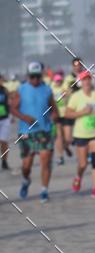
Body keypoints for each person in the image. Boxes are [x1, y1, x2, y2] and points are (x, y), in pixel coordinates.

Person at [11, 61, 57, 202]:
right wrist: (25, 117)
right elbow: (13, 108)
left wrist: (54, 119)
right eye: (32, 77)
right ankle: (26, 180)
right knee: (26, 165)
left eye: (38, 76)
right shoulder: (22, 89)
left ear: (41, 75)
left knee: (45, 161)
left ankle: (44, 190)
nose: (35, 80)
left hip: (45, 131)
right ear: (28, 76)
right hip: (26, 132)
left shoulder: (47, 89)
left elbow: (54, 108)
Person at [65, 70, 95, 197]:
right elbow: (67, 113)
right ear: (80, 82)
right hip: (81, 134)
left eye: (88, 79)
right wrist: (82, 112)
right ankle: (78, 177)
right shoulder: (76, 97)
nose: (86, 82)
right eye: (84, 79)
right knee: (83, 164)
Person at [63, 57, 85, 156]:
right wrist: (71, 89)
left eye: (79, 65)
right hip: (70, 109)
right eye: (75, 65)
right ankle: (66, 146)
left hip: (82, 109)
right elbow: (64, 92)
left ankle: (86, 154)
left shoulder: (86, 76)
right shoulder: (68, 78)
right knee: (68, 138)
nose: (77, 67)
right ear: (72, 66)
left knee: (84, 135)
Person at [50, 71, 68, 165]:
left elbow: (69, 96)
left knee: (67, 137)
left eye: (59, 81)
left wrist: (66, 94)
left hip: (65, 114)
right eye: (57, 81)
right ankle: (60, 156)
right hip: (57, 115)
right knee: (59, 136)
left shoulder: (64, 88)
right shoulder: (51, 89)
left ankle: (66, 146)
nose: (58, 82)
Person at [0, 74, 12, 170]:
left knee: (4, 141)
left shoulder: (5, 90)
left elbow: (10, 102)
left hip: (5, 119)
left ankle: (4, 161)